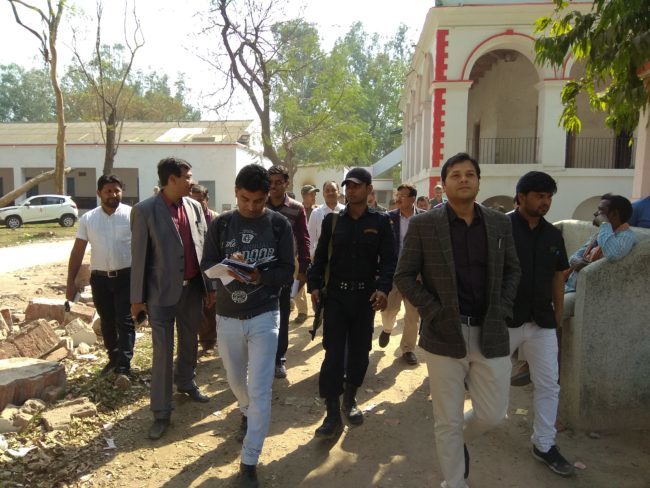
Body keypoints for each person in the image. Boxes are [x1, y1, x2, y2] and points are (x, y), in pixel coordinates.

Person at [394, 153, 520, 488]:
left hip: (490, 329)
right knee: (446, 419)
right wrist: (433, 311)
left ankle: (453, 439)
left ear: (478, 181)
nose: (463, 179)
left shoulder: (499, 223)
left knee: (493, 414)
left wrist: (503, 307)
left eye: (469, 174)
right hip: (444, 333)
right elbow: (404, 276)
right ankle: (454, 481)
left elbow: (513, 270)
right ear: (444, 183)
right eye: (455, 175)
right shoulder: (425, 225)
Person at [202, 164, 294, 488]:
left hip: (265, 315)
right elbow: (207, 265)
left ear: (268, 195)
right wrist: (230, 268)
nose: (251, 207)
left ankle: (249, 461)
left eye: (258, 201)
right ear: (236, 193)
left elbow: (287, 271)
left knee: (260, 389)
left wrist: (259, 276)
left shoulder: (279, 225)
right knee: (235, 380)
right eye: (244, 199)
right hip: (228, 316)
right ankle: (246, 410)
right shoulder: (222, 224)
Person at [308, 167, 396, 437]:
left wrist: (383, 289)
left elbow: (389, 260)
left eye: (357, 185)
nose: (351, 190)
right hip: (336, 297)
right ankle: (332, 414)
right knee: (333, 354)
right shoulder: (333, 221)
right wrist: (314, 286)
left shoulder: (381, 222)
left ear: (369, 189)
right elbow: (320, 257)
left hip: (364, 299)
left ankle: (350, 399)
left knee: (359, 352)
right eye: (348, 186)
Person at [130, 157, 211, 441]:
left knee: (190, 341)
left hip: (192, 291)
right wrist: (137, 299)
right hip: (160, 294)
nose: (191, 181)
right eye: (187, 176)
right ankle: (161, 412)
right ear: (171, 179)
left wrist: (209, 286)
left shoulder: (194, 207)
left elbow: (203, 246)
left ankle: (187, 382)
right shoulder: (144, 211)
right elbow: (139, 258)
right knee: (163, 352)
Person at [508, 171, 575, 477]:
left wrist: (557, 315)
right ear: (521, 197)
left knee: (549, 384)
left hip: (542, 322)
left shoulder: (553, 235)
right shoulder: (501, 228)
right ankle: (462, 434)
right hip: (505, 320)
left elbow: (558, 276)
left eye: (548, 197)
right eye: (539, 196)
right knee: (491, 384)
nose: (545, 202)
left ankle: (544, 444)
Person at [66, 174, 134, 384]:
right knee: (107, 320)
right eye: (108, 191)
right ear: (99, 193)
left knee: (124, 320)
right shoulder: (88, 219)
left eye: (117, 190)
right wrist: (70, 283)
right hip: (100, 279)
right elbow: (78, 251)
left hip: (126, 277)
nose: (113, 194)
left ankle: (124, 366)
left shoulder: (133, 215)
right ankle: (113, 359)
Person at [266, 165, 310, 379]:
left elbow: (303, 239)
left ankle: (278, 359)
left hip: (285, 270)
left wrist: (303, 269)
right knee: (260, 315)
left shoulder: (296, 208)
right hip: (259, 270)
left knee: (282, 315)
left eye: (278, 182)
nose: (273, 186)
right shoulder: (258, 204)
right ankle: (260, 358)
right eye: (270, 182)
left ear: (286, 183)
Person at [563, 193, 636, 319]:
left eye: (601, 210)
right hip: (570, 286)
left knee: (555, 308)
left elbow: (613, 253)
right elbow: (573, 258)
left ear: (614, 214)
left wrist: (604, 224)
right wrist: (578, 262)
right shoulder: (599, 235)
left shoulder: (626, 236)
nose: (596, 213)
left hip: (587, 293)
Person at [378, 183, 425, 365]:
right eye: (397, 195)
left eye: (402, 196)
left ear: (412, 199)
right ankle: (387, 329)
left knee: (412, 314)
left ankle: (408, 349)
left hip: (415, 275)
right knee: (389, 310)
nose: (398, 199)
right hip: (393, 272)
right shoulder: (388, 218)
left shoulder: (424, 218)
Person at [190, 184, 220, 355]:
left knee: (211, 305)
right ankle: (194, 342)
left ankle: (209, 342)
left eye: (200, 200)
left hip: (211, 268)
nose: (196, 204)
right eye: (192, 200)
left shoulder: (216, 219)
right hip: (193, 269)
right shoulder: (186, 218)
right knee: (195, 307)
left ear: (207, 200)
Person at [307, 181, 345, 260]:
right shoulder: (316, 213)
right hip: (321, 259)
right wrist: (312, 257)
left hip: (342, 258)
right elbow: (310, 239)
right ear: (323, 194)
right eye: (327, 191)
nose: (330, 193)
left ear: (338, 192)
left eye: (333, 190)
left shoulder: (346, 211)